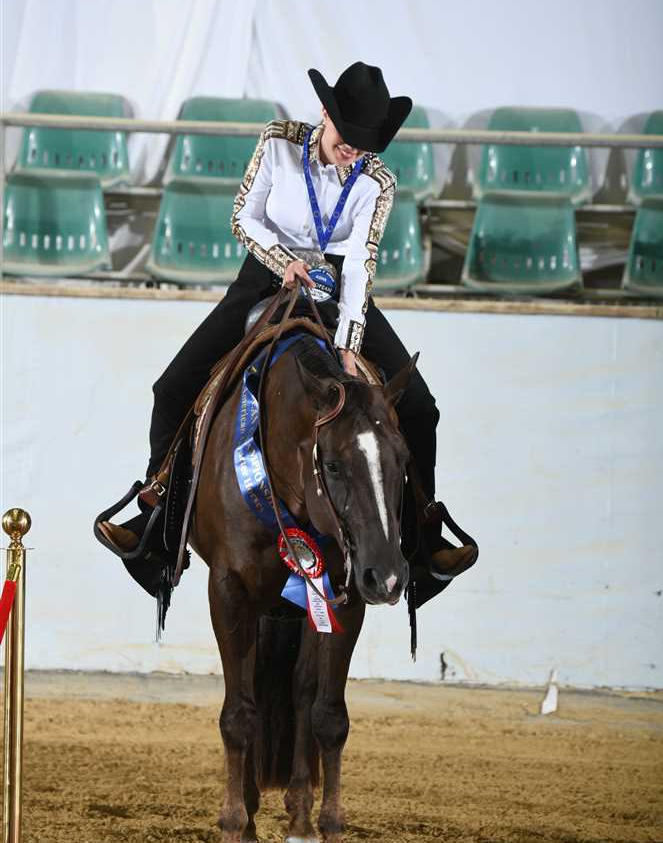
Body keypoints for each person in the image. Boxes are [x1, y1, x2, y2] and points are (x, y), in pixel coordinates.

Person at [98, 61, 477, 584]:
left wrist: (349, 343)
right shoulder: (279, 141)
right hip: (265, 277)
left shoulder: (377, 181)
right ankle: (158, 513)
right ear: (325, 113)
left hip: (337, 288)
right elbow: (243, 216)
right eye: (347, 137)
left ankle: (422, 534)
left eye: (366, 143)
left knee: (418, 407)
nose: (353, 150)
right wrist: (283, 261)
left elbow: (360, 264)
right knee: (172, 388)